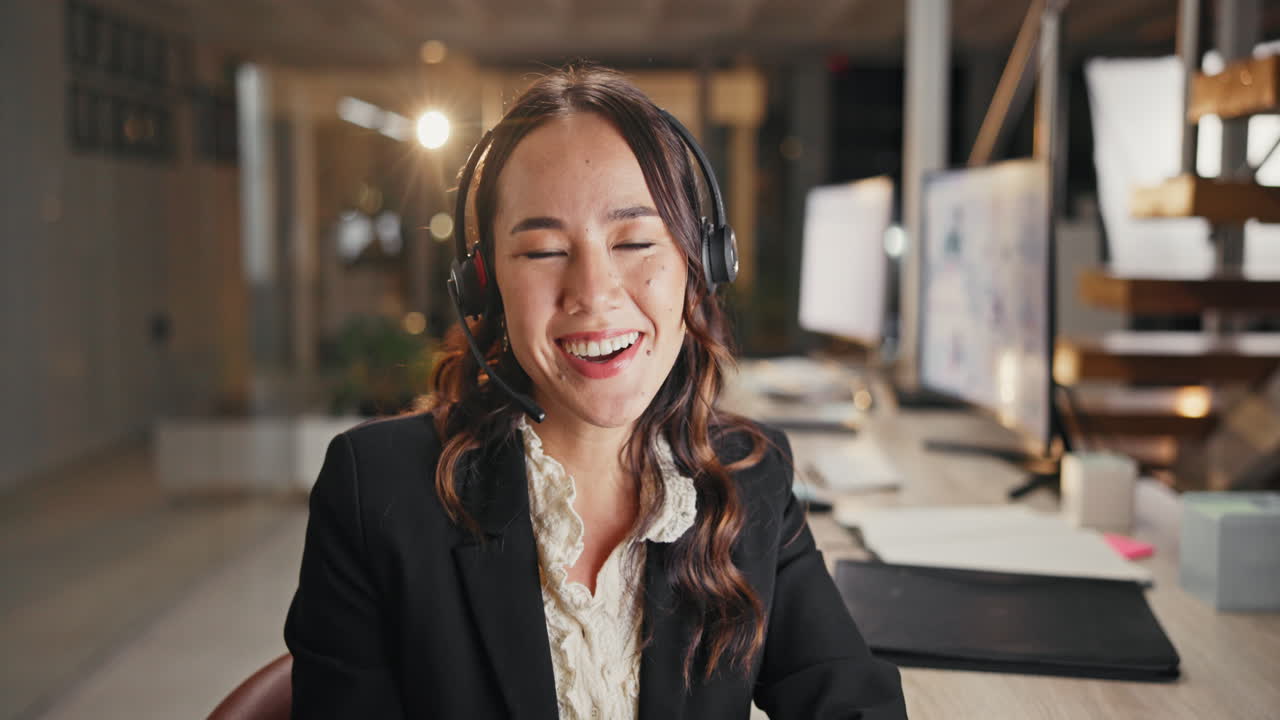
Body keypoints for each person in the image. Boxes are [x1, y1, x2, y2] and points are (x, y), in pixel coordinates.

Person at [284, 64, 906, 719]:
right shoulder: (375, 492)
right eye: (544, 251)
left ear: (700, 267)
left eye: (635, 241)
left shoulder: (750, 479)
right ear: (484, 283)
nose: (594, 292)